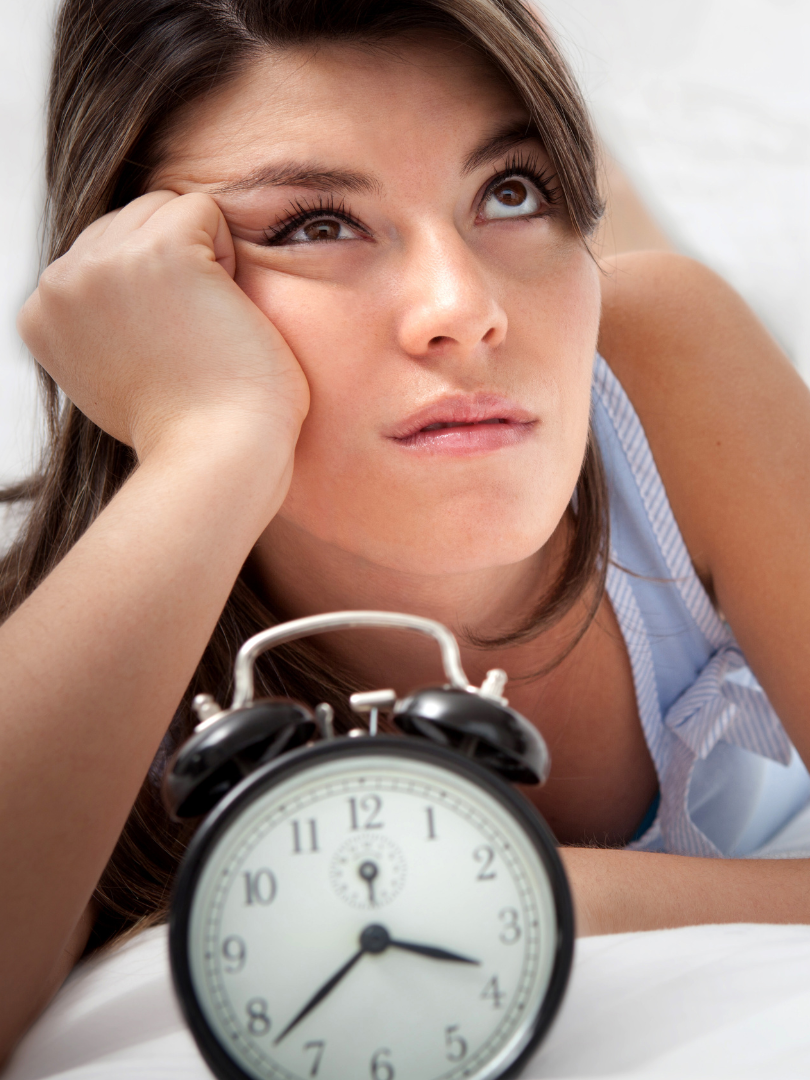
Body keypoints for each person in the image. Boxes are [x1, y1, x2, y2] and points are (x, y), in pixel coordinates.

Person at [2, 0, 810, 1062]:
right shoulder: (76, 639)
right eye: (314, 224)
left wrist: (548, 888)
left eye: (514, 188)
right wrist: (210, 446)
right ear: (140, 283)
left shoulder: (669, 360)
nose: (461, 304)